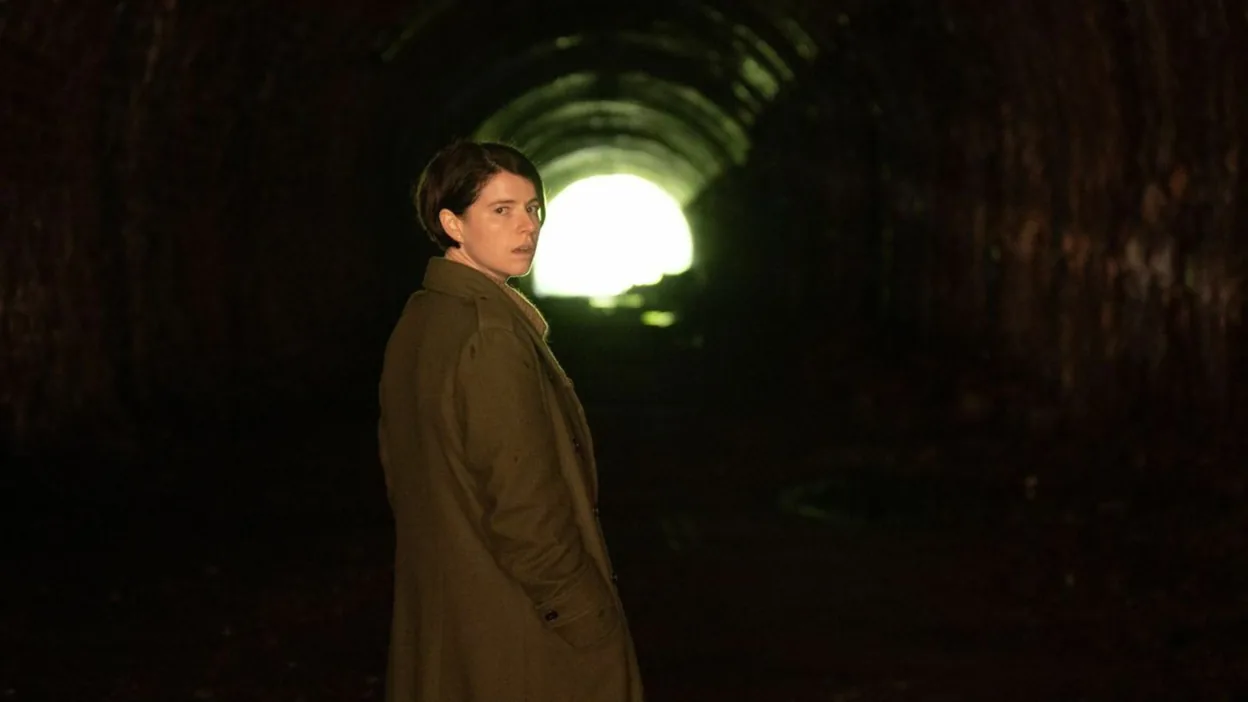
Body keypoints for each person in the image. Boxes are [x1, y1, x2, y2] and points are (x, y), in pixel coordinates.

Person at [377, 140, 644, 702]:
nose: (527, 226)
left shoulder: (421, 318)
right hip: (515, 624)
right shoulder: (490, 336)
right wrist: (585, 617)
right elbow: (524, 506)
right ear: (452, 223)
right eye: (501, 210)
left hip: (449, 609)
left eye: (533, 208)